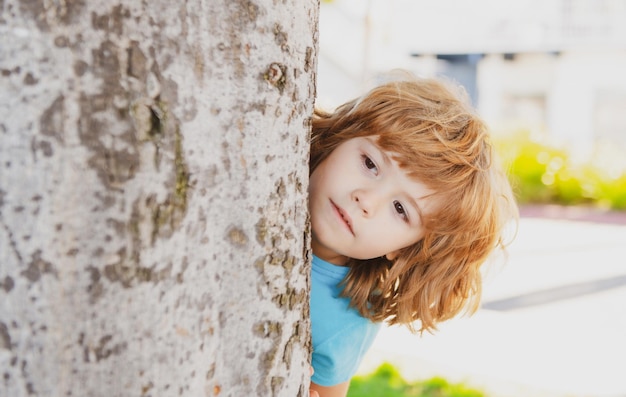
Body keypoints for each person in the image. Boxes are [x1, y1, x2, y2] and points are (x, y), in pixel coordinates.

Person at [307, 75, 518, 397]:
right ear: (339, 140)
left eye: (400, 209)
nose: (367, 200)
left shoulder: (347, 321)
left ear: (404, 250)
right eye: (369, 163)